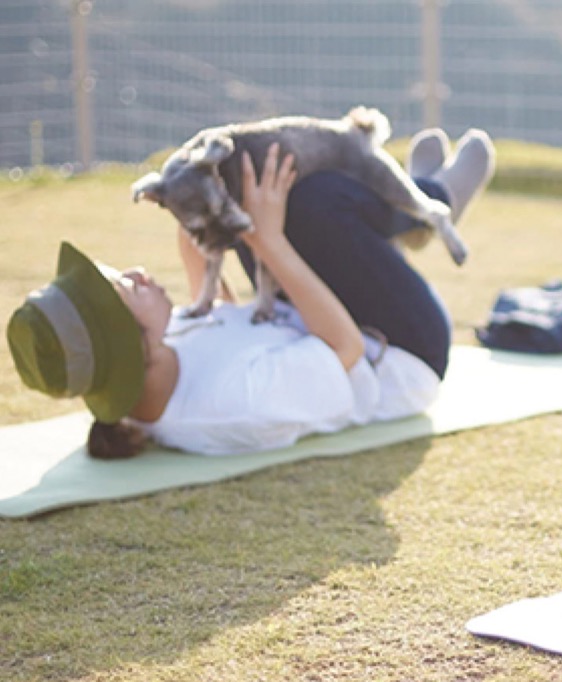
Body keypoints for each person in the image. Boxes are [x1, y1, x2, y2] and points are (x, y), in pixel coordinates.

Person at [7, 128, 495, 458]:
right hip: (397, 349)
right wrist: (268, 239)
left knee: (253, 182)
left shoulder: (146, 376)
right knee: (314, 201)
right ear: (127, 341)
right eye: (125, 287)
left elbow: (217, 310)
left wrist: (197, 213)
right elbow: (342, 348)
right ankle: (435, 202)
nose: (137, 271)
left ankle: (411, 204)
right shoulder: (234, 407)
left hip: (300, 315)